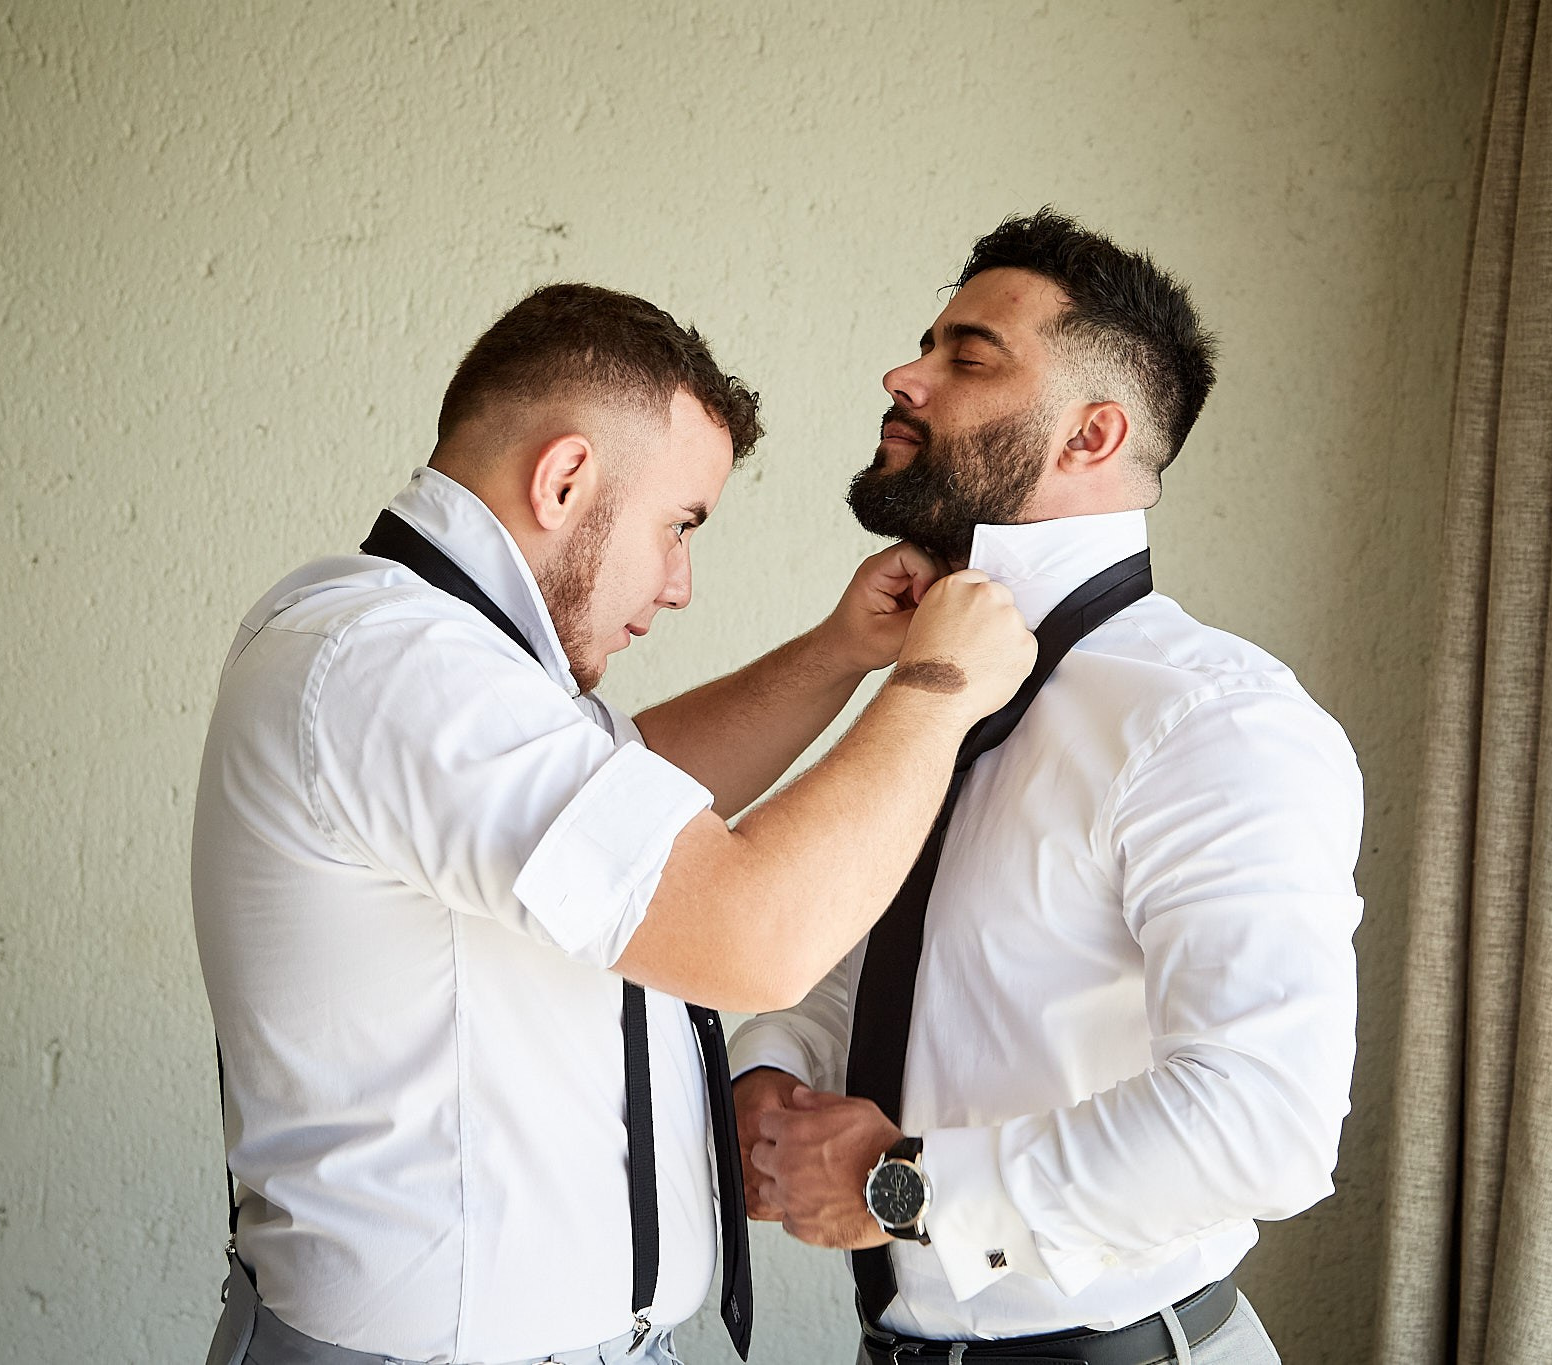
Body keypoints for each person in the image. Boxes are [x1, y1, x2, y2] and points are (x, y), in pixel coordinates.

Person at [191, 282, 1036, 1365]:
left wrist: (840, 655)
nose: (678, 583)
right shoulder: (398, 668)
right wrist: (939, 685)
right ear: (564, 478)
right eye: (677, 526)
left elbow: (626, 800)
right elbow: (746, 934)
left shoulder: (436, 654)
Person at [730, 210, 1365, 1365]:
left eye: (965, 357)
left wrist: (900, 1188)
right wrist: (775, 1067)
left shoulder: (1209, 721)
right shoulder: (933, 669)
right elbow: (896, 954)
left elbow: (1263, 1123)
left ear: (1091, 434)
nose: (902, 375)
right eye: (925, 343)